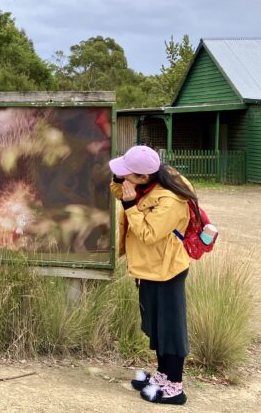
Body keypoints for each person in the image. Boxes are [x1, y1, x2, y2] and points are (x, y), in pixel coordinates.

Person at [109, 145, 195, 406]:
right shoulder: (150, 182)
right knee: (156, 326)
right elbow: (123, 193)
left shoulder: (170, 200)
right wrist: (119, 180)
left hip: (167, 270)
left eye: (127, 175)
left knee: (171, 329)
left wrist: (129, 205)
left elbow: (148, 234)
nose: (124, 179)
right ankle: (162, 376)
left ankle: (174, 388)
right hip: (150, 267)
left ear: (143, 177)